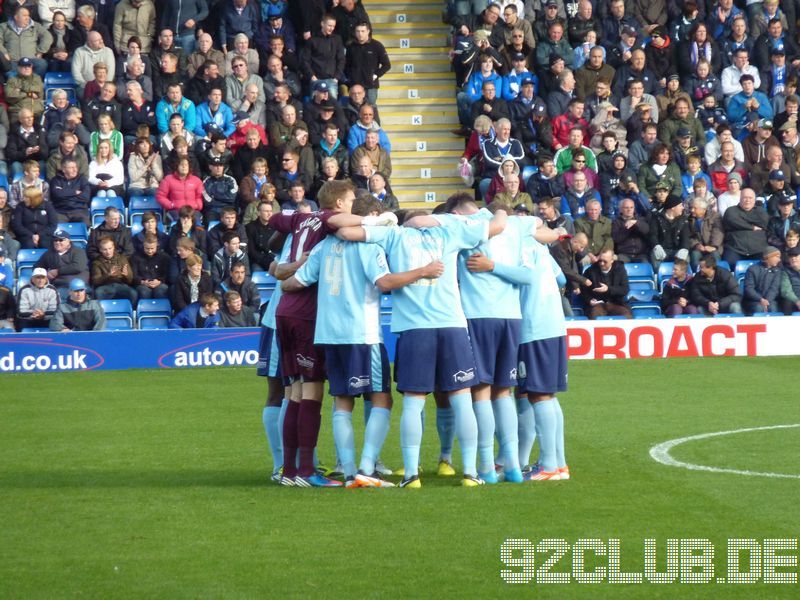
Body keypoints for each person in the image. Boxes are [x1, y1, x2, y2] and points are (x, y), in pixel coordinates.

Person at [334, 194, 508, 488]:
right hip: (451, 325)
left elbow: (343, 230)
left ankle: (412, 474)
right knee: (462, 399)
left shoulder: (394, 234)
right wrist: (451, 218)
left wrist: (376, 220)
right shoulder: (449, 231)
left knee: (413, 404)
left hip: (414, 329)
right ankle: (469, 472)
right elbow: (497, 223)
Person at [267, 180, 398, 486]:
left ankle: (291, 469)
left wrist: (280, 268)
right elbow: (384, 280)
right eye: (350, 200)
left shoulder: (307, 223)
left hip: (289, 312)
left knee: (297, 392)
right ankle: (320, 470)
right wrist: (380, 221)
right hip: (323, 322)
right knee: (321, 394)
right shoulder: (334, 224)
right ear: (339, 203)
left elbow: (274, 224)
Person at [580, 248, 632, 319]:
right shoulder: (590, 271)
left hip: (616, 303)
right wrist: (589, 299)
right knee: (595, 315)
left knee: (626, 315)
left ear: (612, 260)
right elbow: (583, 290)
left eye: (605, 261)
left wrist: (608, 289)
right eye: (600, 260)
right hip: (597, 304)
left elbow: (625, 289)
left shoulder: (620, 270)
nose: (602, 263)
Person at [722, 188, 769, 266]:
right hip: (735, 249)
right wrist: (752, 227)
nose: (748, 200)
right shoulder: (731, 210)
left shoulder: (760, 211)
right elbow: (732, 221)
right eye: (745, 197)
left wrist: (741, 221)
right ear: (740, 198)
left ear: (754, 200)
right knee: (728, 265)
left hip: (758, 250)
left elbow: (764, 223)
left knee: (765, 265)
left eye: (750, 198)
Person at [649, 195, 691, 271]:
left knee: (686, 259)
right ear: (673, 207)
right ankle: (658, 280)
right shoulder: (656, 218)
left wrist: (684, 249)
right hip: (662, 249)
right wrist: (656, 246)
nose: (683, 208)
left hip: (677, 250)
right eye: (680, 205)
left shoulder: (683, 220)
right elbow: (652, 235)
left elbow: (686, 238)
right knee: (655, 258)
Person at [91, 236, 137, 304]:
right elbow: (95, 281)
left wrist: (126, 275)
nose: (108, 252)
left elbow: (130, 280)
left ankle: (132, 313)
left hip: (121, 285)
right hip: (105, 286)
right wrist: (108, 275)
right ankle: (101, 313)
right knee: (98, 292)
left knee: (133, 293)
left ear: (113, 247)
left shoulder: (122, 259)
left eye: (110, 248)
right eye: (105, 249)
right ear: (100, 250)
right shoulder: (97, 263)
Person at [742, 246, 783, 314]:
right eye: (777, 257)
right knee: (759, 308)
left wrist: (767, 301)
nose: (779, 260)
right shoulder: (752, 269)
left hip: (770, 300)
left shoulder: (777, 271)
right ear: (768, 257)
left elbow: (774, 289)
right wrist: (760, 299)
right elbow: (749, 289)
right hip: (753, 301)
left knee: (773, 308)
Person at [130, 233, 171, 300]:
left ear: (157, 246)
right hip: (142, 284)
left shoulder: (164, 257)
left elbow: (167, 274)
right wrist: (142, 282)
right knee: (144, 292)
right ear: (143, 245)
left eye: (152, 248)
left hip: (159, 283)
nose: (150, 251)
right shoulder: (135, 257)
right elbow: (134, 275)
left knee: (161, 290)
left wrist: (159, 281)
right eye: (147, 248)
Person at [688, 197, 724, 269]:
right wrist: (696, 245)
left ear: (704, 209)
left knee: (716, 259)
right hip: (698, 248)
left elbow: (718, 233)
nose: (692, 210)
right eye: (692, 208)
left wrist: (713, 246)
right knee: (695, 257)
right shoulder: (689, 219)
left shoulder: (715, 216)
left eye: (695, 208)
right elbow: (689, 236)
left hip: (713, 247)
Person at [611, 197, 650, 263]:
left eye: (631, 207)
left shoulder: (640, 219)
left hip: (641, 255)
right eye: (626, 208)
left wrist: (635, 223)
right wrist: (627, 227)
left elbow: (646, 230)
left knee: (645, 267)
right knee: (620, 267)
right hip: (624, 254)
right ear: (621, 209)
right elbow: (616, 239)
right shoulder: (616, 222)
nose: (629, 210)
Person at [779, 246, 800, 314]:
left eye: (796, 256)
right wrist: (797, 301)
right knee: (787, 302)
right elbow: (785, 291)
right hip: (794, 300)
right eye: (791, 257)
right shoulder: (786, 272)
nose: (793, 259)